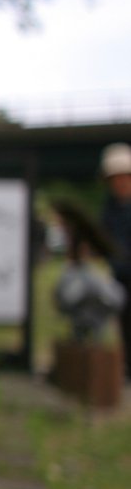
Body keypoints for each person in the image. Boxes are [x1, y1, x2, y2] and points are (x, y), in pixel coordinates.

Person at [100, 143, 131, 378]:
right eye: (116, 178)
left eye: (125, 177)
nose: (121, 183)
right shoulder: (109, 209)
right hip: (120, 276)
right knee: (124, 323)